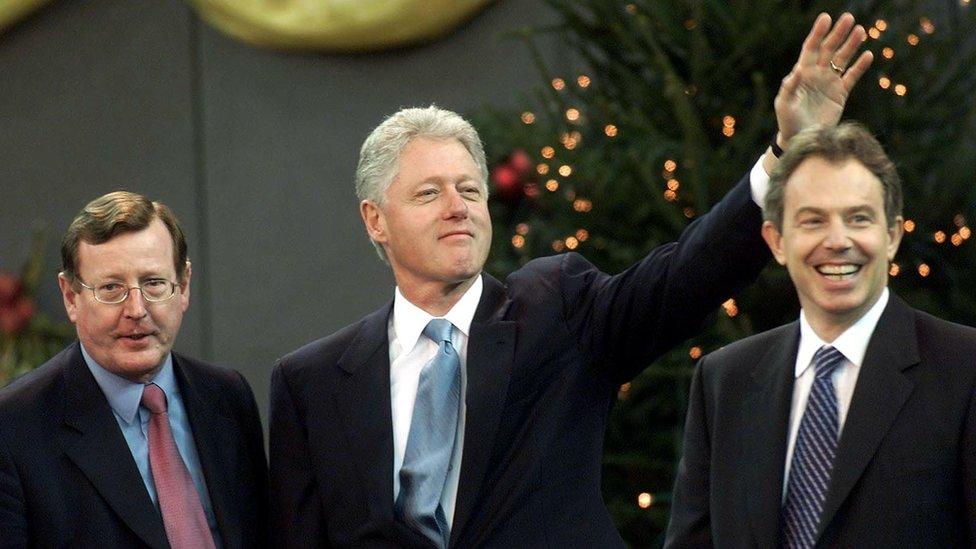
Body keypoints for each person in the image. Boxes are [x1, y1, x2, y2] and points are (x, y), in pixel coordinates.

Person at [269, 13, 873, 548]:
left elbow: (683, 277)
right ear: (375, 219)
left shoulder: (553, 307)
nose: (458, 206)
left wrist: (785, 149)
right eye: (429, 193)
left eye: (470, 189)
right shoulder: (313, 382)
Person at [664, 123, 976, 548]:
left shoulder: (964, 370)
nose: (837, 241)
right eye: (813, 221)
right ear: (776, 241)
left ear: (892, 236)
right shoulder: (724, 381)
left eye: (858, 218)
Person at [0, 192, 268, 548]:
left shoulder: (227, 397)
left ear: (183, 286)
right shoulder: (15, 427)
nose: (137, 309)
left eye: (154, 283)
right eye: (111, 288)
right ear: (70, 297)